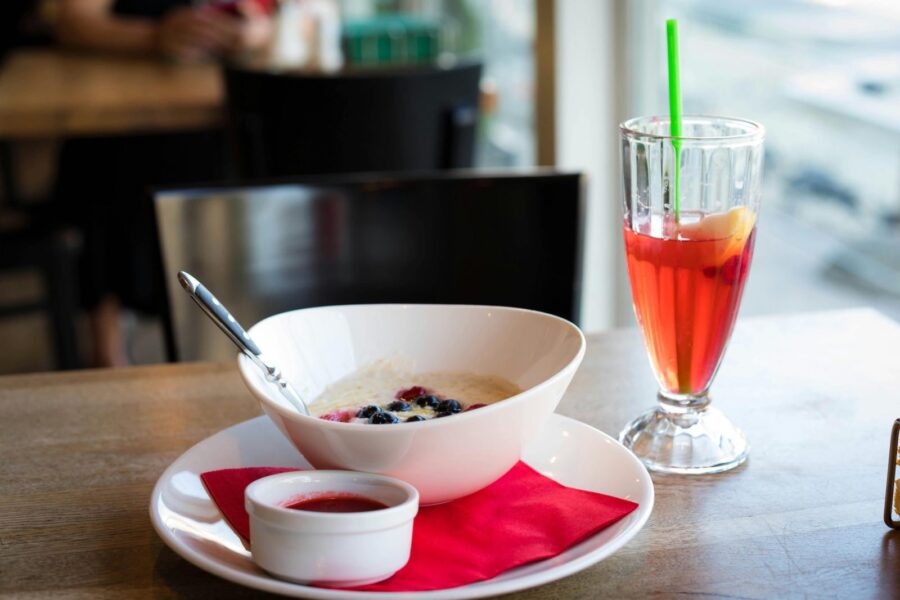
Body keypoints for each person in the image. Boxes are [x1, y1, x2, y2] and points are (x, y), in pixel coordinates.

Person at [52, 0, 275, 367]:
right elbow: (73, 23)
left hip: (211, 109)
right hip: (114, 102)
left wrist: (250, 32)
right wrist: (154, 36)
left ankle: (222, 340)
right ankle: (108, 347)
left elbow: (280, 16)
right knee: (100, 157)